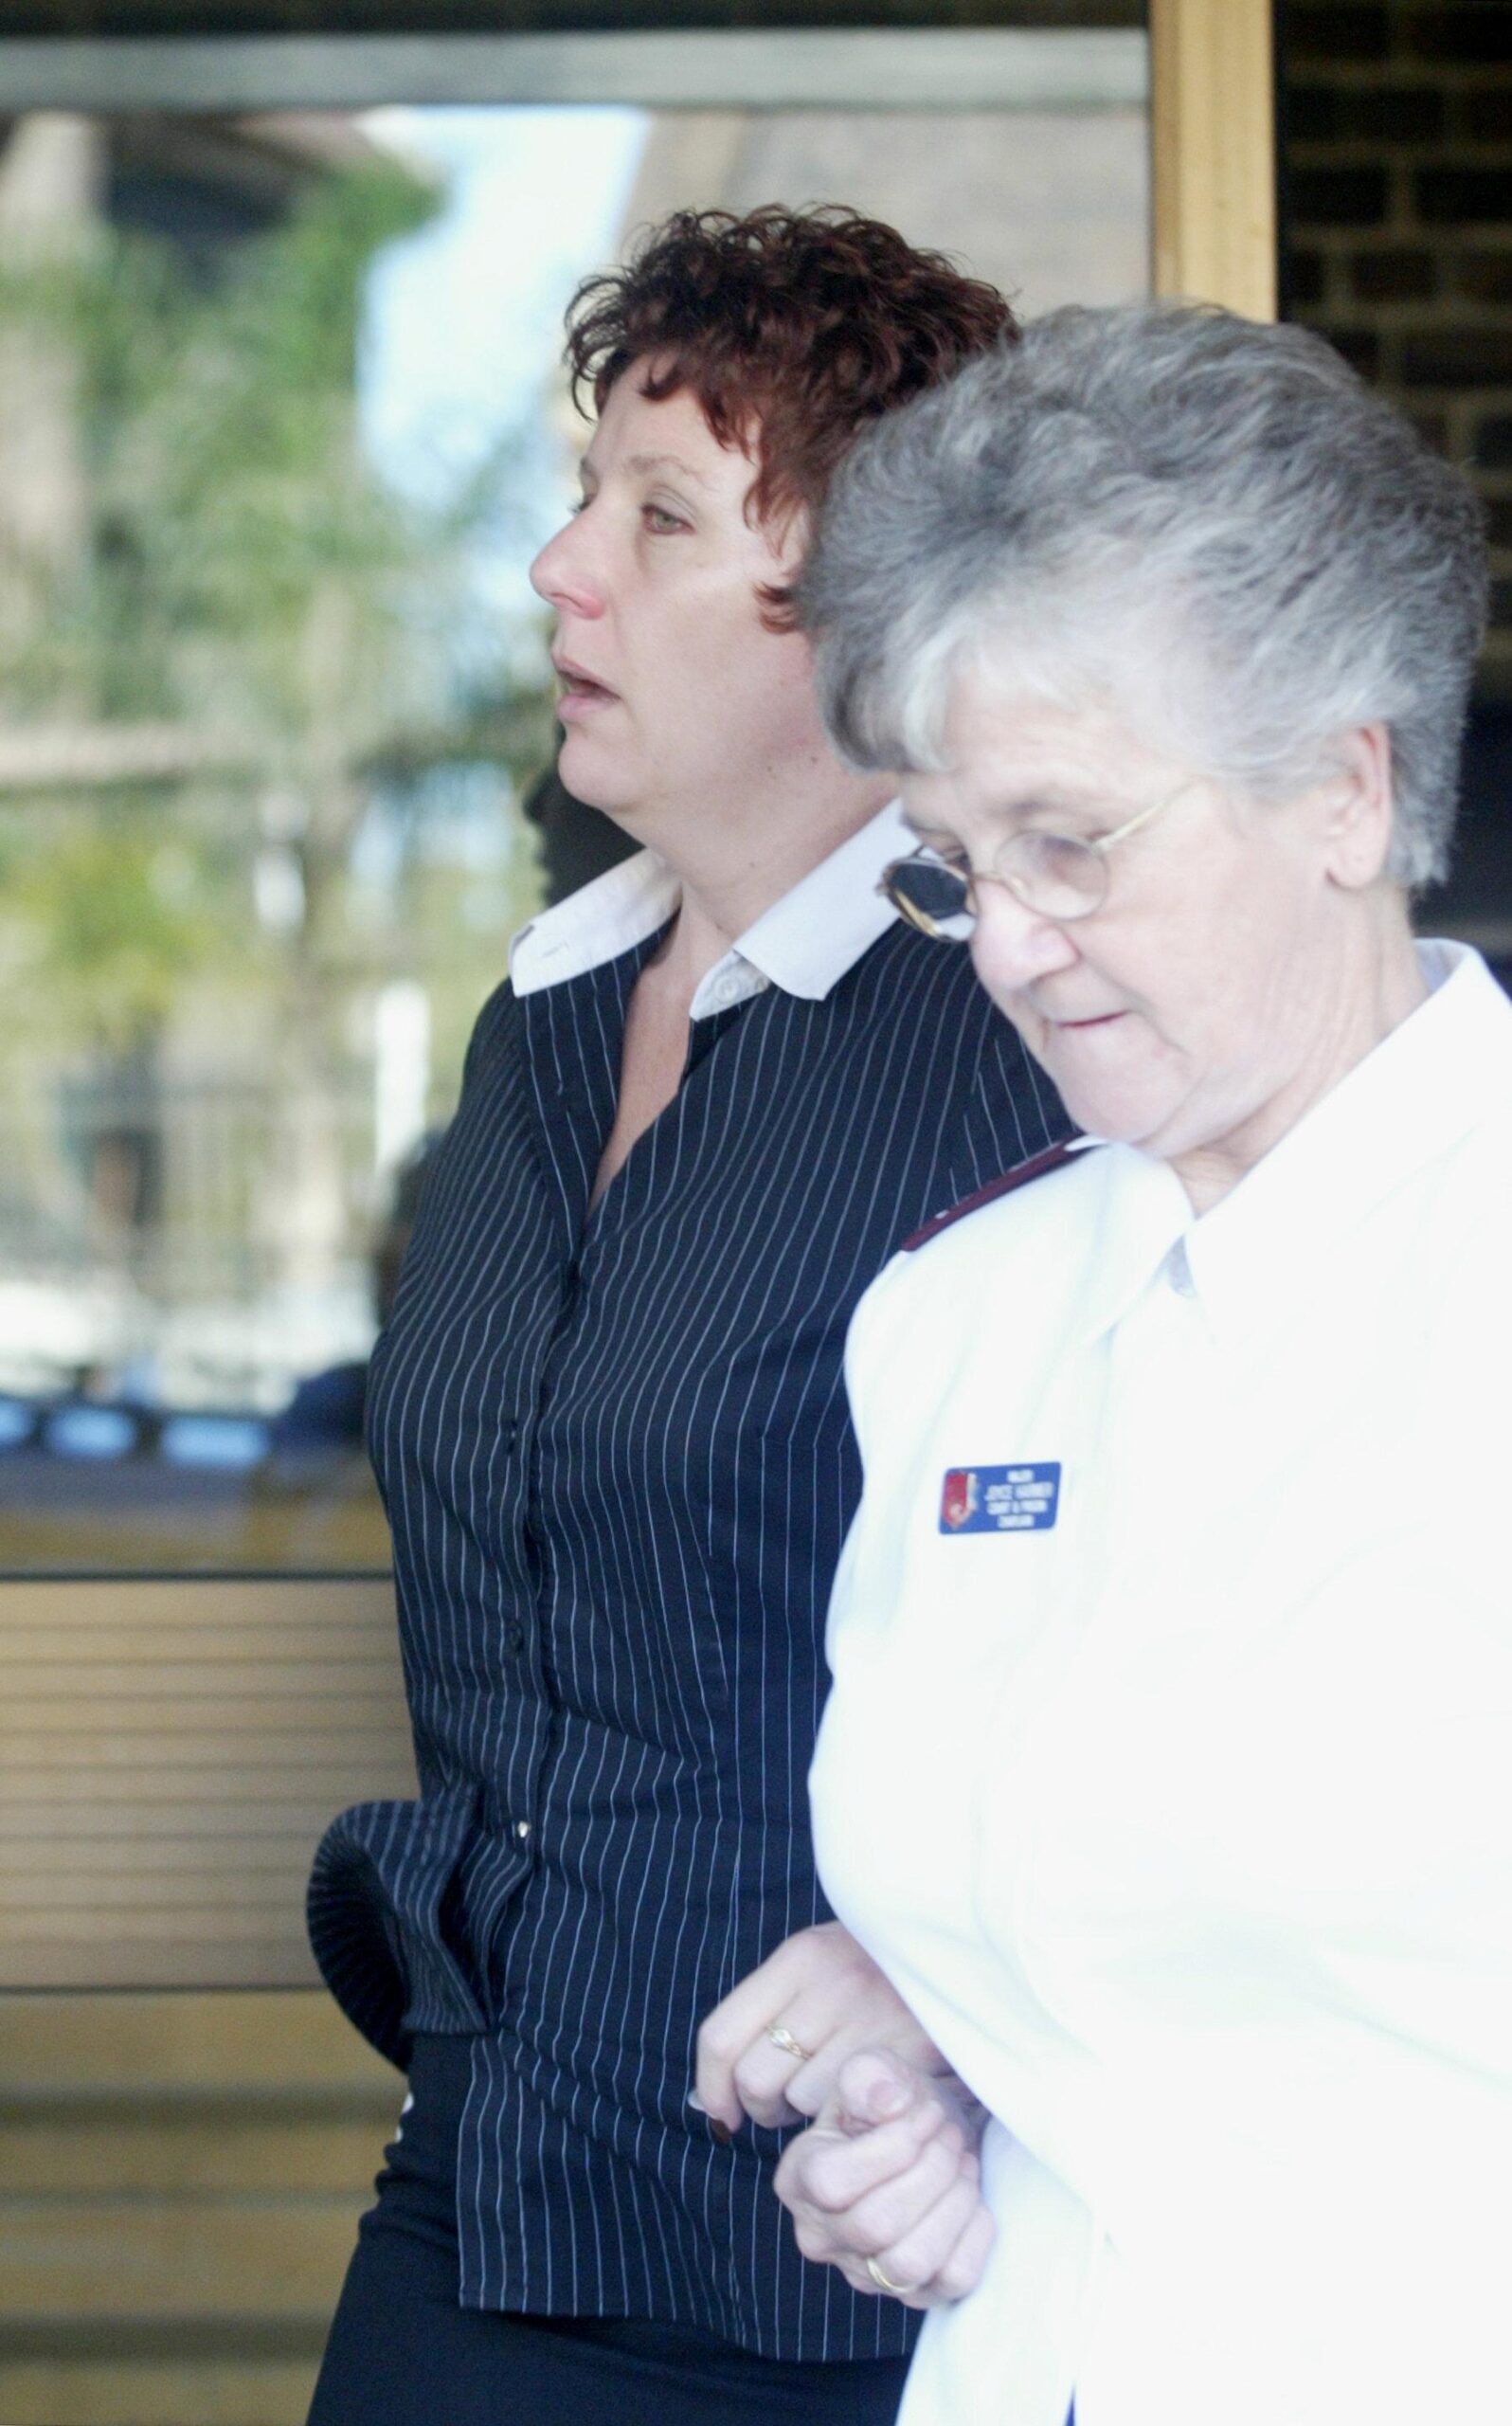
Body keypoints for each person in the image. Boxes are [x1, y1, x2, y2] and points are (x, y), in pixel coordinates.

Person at [696, 300, 1511, 2426]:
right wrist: (939, 2050)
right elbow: (1118, 1911)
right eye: (962, 872)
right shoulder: (959, 1318)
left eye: (1074, 842)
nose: (1016, 944)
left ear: (1346, 789)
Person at [303, 206, 1068, 2426]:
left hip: (855, 2260)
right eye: (580, 499)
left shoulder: (1013, 1041)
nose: (563, 570)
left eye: (658, 514)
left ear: (870, 608)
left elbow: (1159, 1608)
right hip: (480, 2179)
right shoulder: (538, 1025)